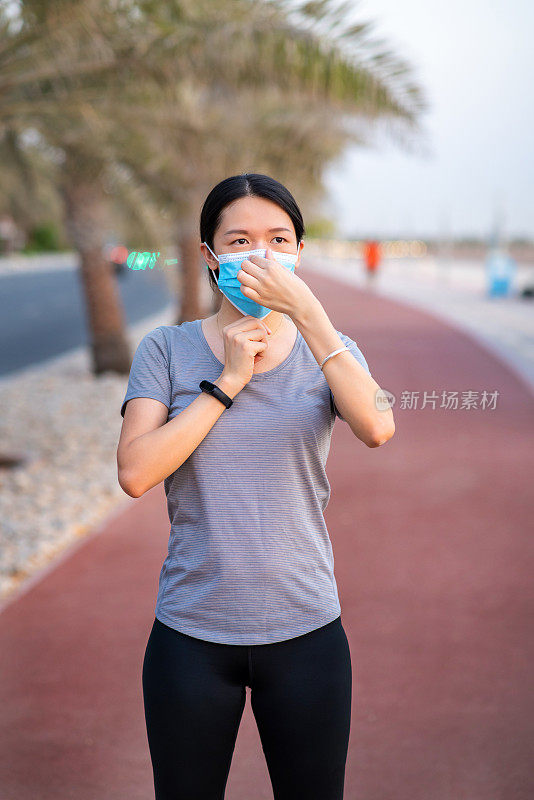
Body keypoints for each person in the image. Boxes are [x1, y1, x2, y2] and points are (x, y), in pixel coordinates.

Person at [117, 173, 395, 799]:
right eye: (239, 240)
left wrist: (311, 315)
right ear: (210, 256)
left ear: (299, 252)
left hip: (307, 632)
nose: (261, 254)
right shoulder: (167, 349)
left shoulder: (333, 353)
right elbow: (135, 472)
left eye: (279, 239)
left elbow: (378, 424)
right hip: (191, 636)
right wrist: (228, 381)